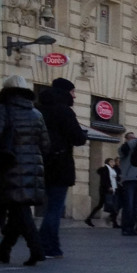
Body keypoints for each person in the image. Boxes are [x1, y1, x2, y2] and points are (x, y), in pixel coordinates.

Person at [0, 76, 49, 266]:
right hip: (34, 165)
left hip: (11, 164)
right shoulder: (36, 113)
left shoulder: (4, 109)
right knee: (18, 210)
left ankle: (37, 249)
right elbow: (46, 144)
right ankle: (3, 252)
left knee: (20, 209)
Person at [37, 77, 87, 258]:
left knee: (50, 206)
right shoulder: (65, 111)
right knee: (55, 207)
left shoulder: (38, 108)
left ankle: (49, 245)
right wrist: (82, 134)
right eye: (73, 92)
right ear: (66, 92)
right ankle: (47, 245)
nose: (74, 96)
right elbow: (78, 138)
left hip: (40, 162)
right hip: (60, 163)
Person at [117, 131, 137, 236]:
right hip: (128, 180)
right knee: (129, 205)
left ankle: (131, 227)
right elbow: (123, 151)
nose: (133, 140)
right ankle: (125, 227)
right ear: (126, 139)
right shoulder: (123, 149)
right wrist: (136, 141)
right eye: (130, 138)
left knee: (135, 206)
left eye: (134, 138)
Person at [84, 159, 120, 227]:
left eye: (113, 162)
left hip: (113, 189)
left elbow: (116, 178)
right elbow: (104, 180)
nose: (113, 163)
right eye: (111, 162)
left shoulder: (113, 170)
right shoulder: (105, 169)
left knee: (104, 205)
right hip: (106, 190)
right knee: (107, 205)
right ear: (107, 163)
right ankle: (114, 222)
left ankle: (114, 222)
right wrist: (108, 186)